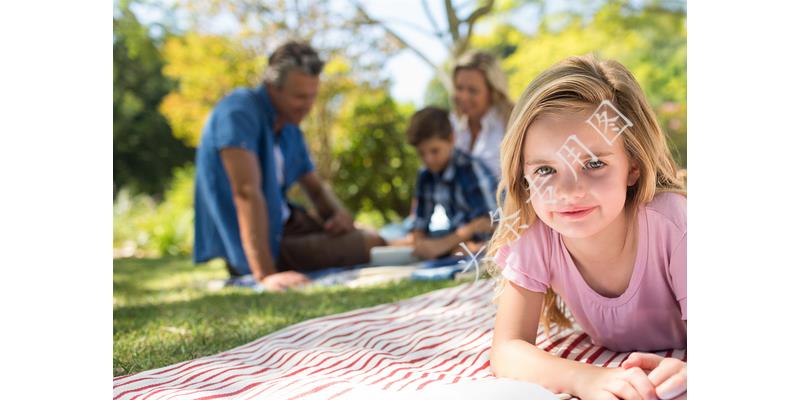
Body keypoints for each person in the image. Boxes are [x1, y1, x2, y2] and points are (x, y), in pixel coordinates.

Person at [488, 55, 687, 400]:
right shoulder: (537, 235)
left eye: (594, 163)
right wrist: (586, 379)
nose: (567, 192)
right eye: (545, 171)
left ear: (633, 167)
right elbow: (506, 349)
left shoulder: (674, 224)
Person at [193, 40, 385, 292]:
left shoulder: (290, 128)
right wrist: (265, 275)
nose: (308, 105)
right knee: (370, 243)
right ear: (272, 87)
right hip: (263, 244)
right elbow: (246, 192)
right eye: (299, 96)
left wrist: (338, 216)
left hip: (290, 225)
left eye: (313, 96)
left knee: (373, 237)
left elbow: (315, 189)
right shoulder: (238, 112)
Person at [406, 106, 497, 260]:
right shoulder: (425, 176)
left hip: (489, 239)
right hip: (459, 237)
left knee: (467, 250)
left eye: (434, 151)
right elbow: (419, 224)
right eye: (422, 153)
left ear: (451, 139)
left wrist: (442, 245)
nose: (428, 159)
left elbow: (490, 223)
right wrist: (422, 243)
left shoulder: (470, 169)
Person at [450, 50, 515, 179]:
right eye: (459, 88)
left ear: (492, 91)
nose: (463, 96)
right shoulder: (450, 124)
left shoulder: (512, 121)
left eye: (472, 90)